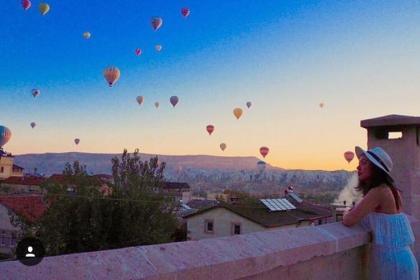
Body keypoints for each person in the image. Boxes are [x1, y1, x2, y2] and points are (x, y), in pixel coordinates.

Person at [343, 146, 418, 279]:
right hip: (399, 260)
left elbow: (349, 220)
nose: (358, 167)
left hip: (393, 263)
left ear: (376, 168)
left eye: (364, 163)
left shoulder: (379, 191)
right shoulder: (391, 190)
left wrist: (346, 212)